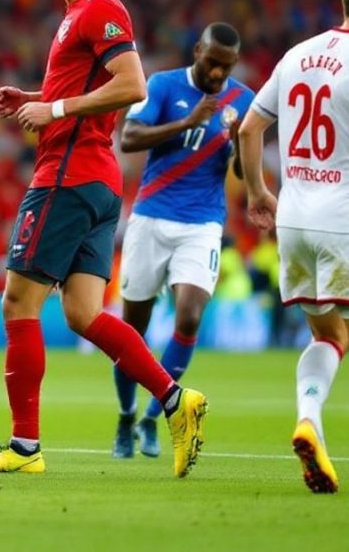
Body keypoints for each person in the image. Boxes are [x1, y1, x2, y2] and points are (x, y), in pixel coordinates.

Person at [0, 0, 208, 478]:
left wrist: (57, 111)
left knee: (18, 303)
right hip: (96, 179)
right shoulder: (78, 13)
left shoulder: (100, 9)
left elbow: (133, 86)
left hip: (66, 177)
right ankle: (175, 400)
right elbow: (83, 87)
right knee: (83, 314)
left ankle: (25, 448)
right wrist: (35, 96)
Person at [112, 23, 254, 458]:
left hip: (203, 222)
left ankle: (155, 417)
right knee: (131, 328)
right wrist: (186, 122)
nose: (218, 74)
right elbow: (130, 138)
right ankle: (124, 415)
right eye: (212, 63)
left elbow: (243, 176)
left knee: (189, 317)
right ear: (198, 51)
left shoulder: (241, 100)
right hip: (151, 217)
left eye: (226, 67)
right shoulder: (162, 85)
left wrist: (238, 145)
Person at [237, 0, 349, 495]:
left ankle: (311, 420)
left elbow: (249, 127)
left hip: (295, 218)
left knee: (328, 335)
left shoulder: (299, 54)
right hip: (343, 219)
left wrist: (258, 192)